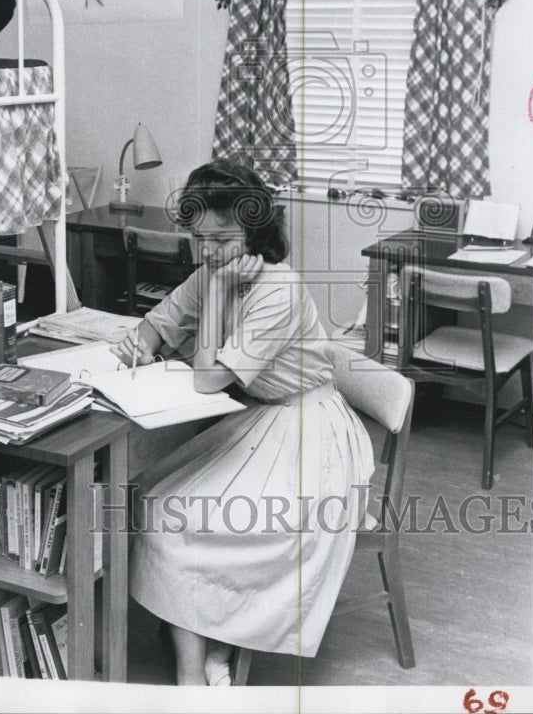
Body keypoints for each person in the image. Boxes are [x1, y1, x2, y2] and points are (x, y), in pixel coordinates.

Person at [111, 159, 374, 686]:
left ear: (254, 231)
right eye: (197, 237)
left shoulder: (277, 289)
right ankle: (202, 643)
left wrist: (211, 297)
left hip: (307, 430)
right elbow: (157, 324)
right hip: (258, 422)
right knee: (154, 497)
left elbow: (208, 379)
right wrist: (139, 343)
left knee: (194, 517)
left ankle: (200, 667)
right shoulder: (211, 271)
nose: (208, 252)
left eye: (223, 238)